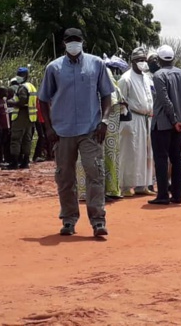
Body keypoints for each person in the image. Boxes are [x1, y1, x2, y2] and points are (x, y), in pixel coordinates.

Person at [38, 28, 114, 237]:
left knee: (95, 173)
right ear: (64, 43)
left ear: (83, 42)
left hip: (90, 129)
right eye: (70, 40)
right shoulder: (53, 68)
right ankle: (69, 220)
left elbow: (107, 95)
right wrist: (48, 128)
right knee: (65, 178)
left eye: (77, 40)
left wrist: (104, 121)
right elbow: (43, 99)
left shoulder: (96, 64)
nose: (74, 43)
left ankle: (98, 221)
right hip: (62, 131)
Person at [148, 45, 181, 205]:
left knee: (161, 159)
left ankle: (162, 195)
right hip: (180, 125)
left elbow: (164, 100)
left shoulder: (158, 75)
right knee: (177, 159)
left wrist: (174, 121)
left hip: (162, 124)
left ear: (159, 60)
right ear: (173, 58)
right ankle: (177, 195)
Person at [77, 57, 126, 202]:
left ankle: (103, 190)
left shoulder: (106, 77)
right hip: (96, 125)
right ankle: (96, 192)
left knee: (102, 157)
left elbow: (115, 100)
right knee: (95, 158)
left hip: (104, 125)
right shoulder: (93, 76)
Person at [118, 47, 156, 197]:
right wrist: (125, 122)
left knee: (147, 153)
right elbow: (121, 101)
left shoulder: (147, 78)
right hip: (132, 118)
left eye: (144, 60)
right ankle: (126, 185)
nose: (142, 63)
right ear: (132, 61)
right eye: (139, 60)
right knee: (130, 152)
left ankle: (143, 184)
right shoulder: (126, 78)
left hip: (147, 118)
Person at [5, 67, 37, 170]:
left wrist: (12, 103)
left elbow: (23, 101)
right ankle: (25, 162)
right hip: (30, 117)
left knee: (16, 139)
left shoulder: (23, 87)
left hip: (21, 116)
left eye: (20, 75)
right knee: (27, 140)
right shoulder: (32, 86)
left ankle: (14, 162)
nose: (19, 77)